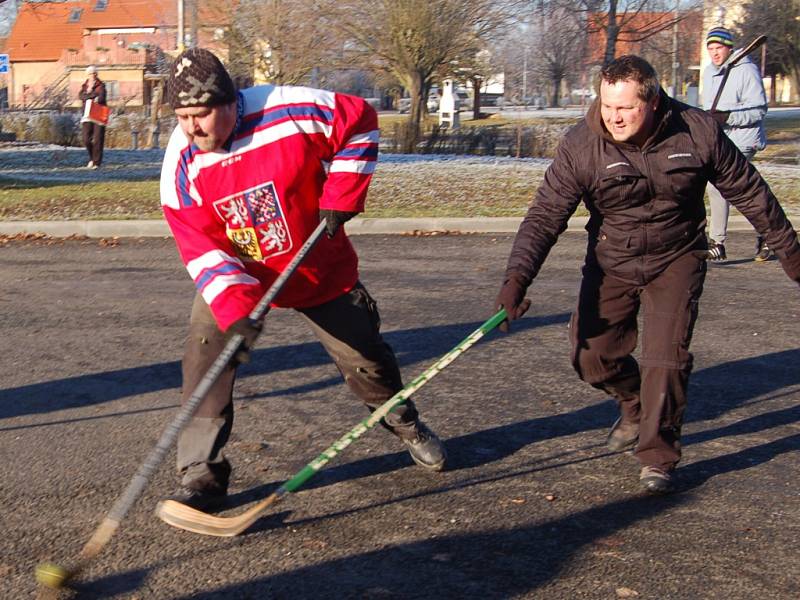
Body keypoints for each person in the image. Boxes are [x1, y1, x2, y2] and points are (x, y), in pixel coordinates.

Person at [495, 55, 800, 494]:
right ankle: (634, 403)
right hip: (611, 259)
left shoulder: (698, 131)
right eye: (606, 106)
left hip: (676, 256)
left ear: (653, 101)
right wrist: (515, 281)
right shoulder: (583, 145)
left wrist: (792, 257)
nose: (613, 117)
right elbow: (545, 217)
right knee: (591, 358)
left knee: (666, 358)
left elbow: (751, 193)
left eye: (625, 108)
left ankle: (658, 455)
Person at [159, 48, 446, 511]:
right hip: (240, 274)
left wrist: (342, 190)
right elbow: (201, 245)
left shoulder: (289, 107)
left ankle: (404, 421)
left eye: (202, 114)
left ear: (232, 101)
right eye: (183, 116)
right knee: (206, 355)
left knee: (365, 360)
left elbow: (360, 121)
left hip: (317, 264)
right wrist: (235, 311)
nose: (192, 128)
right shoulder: (182, 161)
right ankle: (201, 473)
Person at [702, 26, 770, 262]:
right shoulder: (710, 72)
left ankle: (717, 243)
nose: (714, 53)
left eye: (718, 48)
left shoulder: (746, 70)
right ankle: (767, 233)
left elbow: (759, 110)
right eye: (710, 48)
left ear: (729, 47)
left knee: (719, 186)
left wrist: (728, 116)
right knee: (741, 191)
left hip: (744, 140)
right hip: (722, 141)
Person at [78, 65, 107, 169]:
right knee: (86, 138)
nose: (93, 75)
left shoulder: (101, 85)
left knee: (98, 139)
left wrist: (89, 95)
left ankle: (97, 162)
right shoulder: (84, 86)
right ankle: (91, 158)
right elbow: (81, 96)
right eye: (90, 73)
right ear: (87, 75)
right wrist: (93, 95)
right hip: (87, 114)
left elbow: (101, 98)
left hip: (98, 115)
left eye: (94, 73)